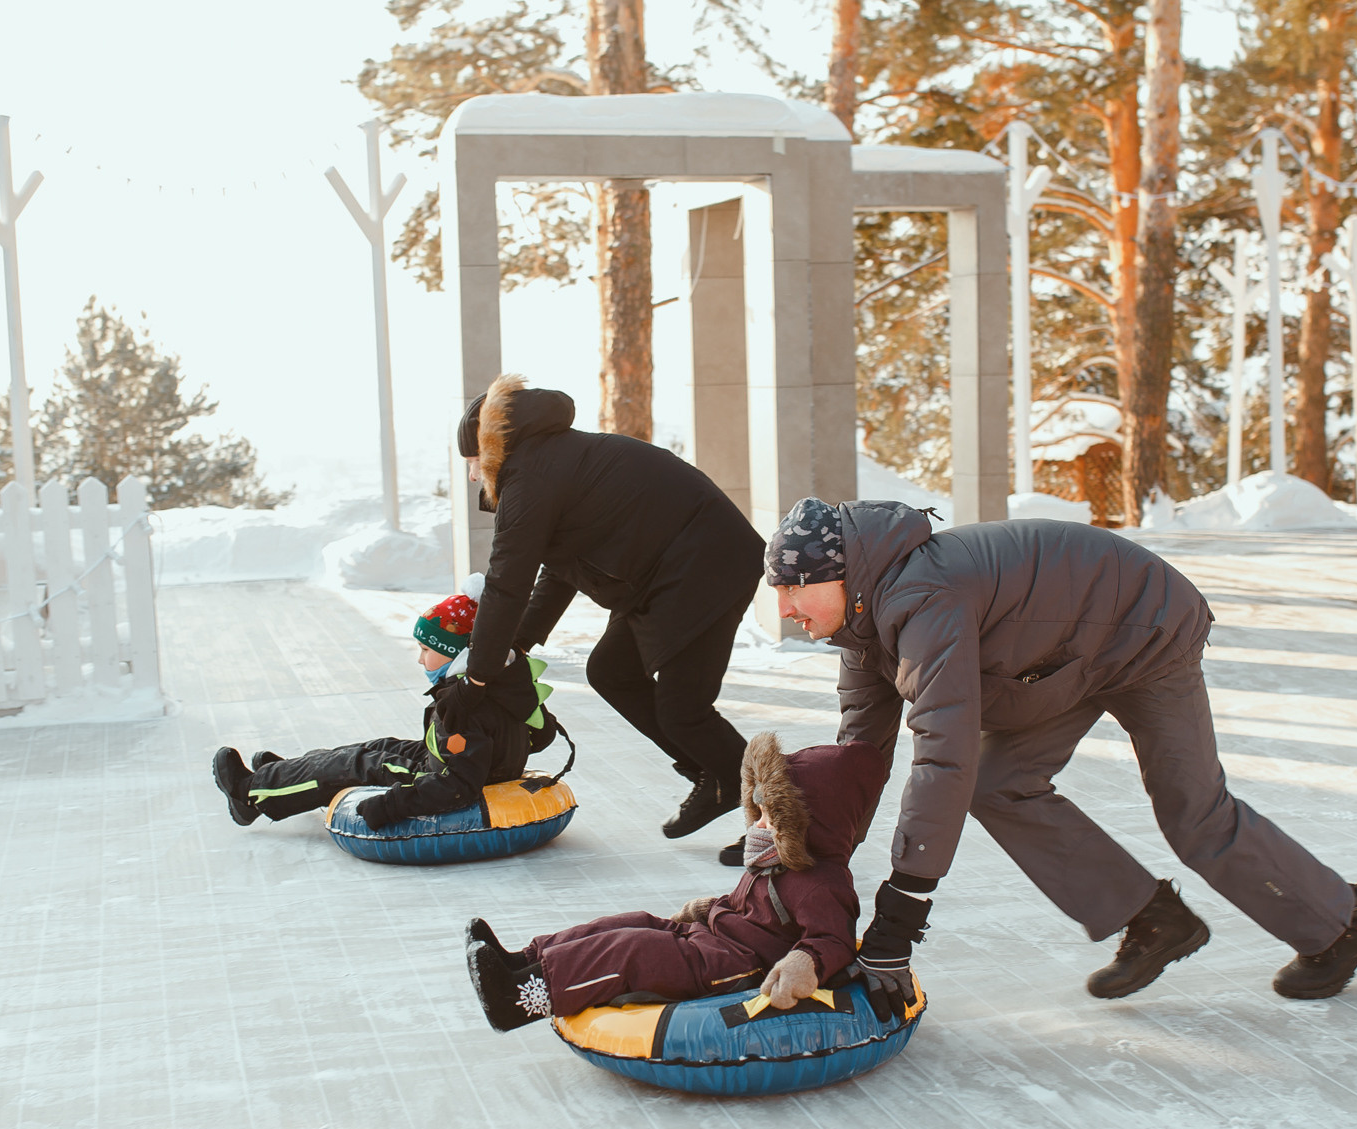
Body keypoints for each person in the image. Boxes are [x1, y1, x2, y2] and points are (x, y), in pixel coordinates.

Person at [767, 496, 1357, 1004]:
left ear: (842, 574)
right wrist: (809, 860)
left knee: (1192, 810)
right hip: (1061, 654)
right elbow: (857, 764)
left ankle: (1344, 926)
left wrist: (900, 914)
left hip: (1147, 628)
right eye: (777, 589)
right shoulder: (863, 630)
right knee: (995, 783)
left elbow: (943, 751)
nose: (784, 607)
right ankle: (1155, 919)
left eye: (794, 587)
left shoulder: (925, 599)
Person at [450, 373, 765, 852]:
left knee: (684, 711)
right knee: (611, 671)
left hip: (705, 565)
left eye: (472, 463)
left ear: (491, 449)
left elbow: (506, 581)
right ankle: (716, 774)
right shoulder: (547, 459)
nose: (474, 476)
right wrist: (515, 643)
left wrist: (478, 676)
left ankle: (782, 819)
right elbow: (560, 567)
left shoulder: (532, 476)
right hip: (667, 570)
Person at [464, 732, 889, 1031]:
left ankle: (522, 998)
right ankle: (523, 961)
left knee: (634, 949)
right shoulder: (774, 860)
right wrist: (707, 909)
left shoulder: (823, 884)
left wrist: (803, 963)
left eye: (771, 817)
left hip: (732, 967)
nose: (758, 824)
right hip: (711, 938)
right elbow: (749, 906)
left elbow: (832, 939)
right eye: (758, 812)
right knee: (633, 922)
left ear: (811, 825)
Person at [210, 577, 565, 828]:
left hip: (447, 776)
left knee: (351, 764)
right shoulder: (506, 682)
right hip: (480, 765)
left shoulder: (463, 706)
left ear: (456, 654)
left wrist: (391, 805)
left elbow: (458, 786)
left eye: (426, 650)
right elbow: (541, 736)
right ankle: (286, 775)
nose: (420, 659)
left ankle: (249, 794)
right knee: (378, 746)